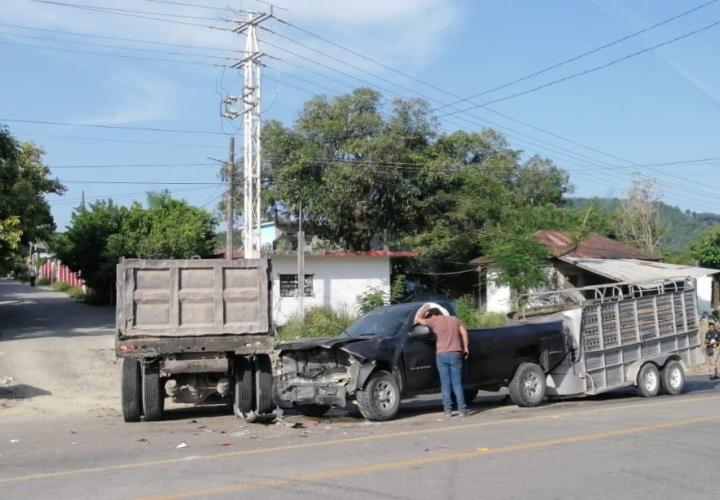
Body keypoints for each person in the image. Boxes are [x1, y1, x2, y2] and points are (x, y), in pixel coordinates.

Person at [416, 303, 470, 417]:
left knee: (445, 384)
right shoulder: (455, 319)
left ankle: (448, 410)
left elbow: (418, 319)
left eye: (430, 316)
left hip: (442, 355)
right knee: (457, 383)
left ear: (434, 315)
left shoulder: (434, 321)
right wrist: (465, 347)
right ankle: (462, 409)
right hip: (456, 353)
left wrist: (424, 309)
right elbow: (464, 332)